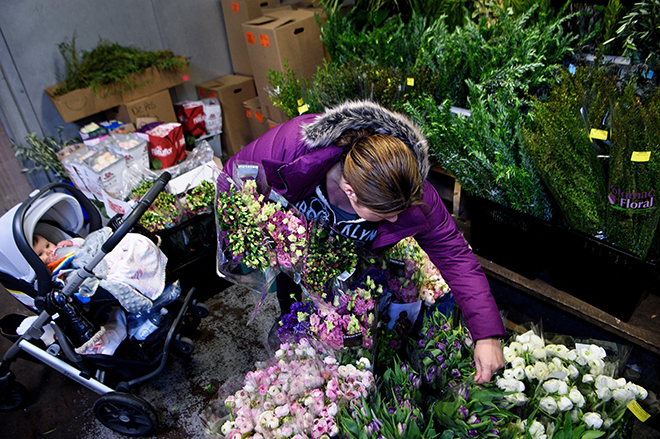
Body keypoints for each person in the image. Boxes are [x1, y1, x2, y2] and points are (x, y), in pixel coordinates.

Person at [223, 100, 505, 383]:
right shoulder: (294, 146)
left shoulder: (408, 187)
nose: (396, 222)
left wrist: (486, 334)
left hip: (351, 266)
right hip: (296, 252)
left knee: (351, 333)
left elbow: (454, 253)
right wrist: (254, 237)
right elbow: (231, 179)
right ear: (349, 191)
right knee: (293, 308)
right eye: (385, 214)